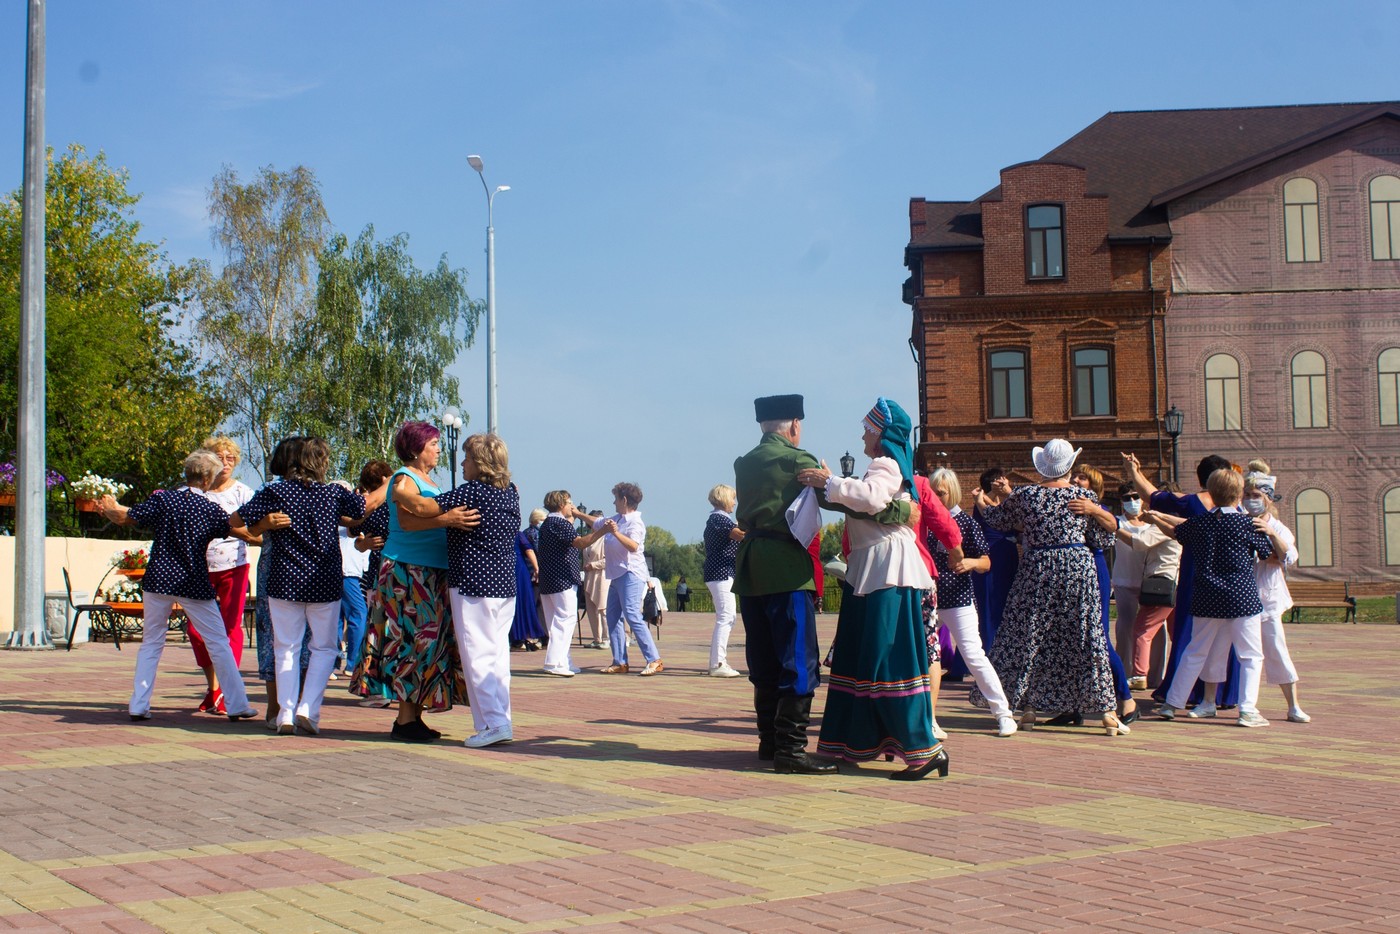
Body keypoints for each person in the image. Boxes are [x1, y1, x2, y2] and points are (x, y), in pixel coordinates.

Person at [797, 398, 946, 779]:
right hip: (872, 567)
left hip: (887, 570)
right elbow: (866, 504)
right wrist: (832, 484)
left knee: (886, 660)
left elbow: (872, 498)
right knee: (860, 659)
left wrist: (829, 482)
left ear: (880, 434)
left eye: (867, 428)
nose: (863, 434)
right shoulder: (882, 467)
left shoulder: (886, 464)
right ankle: (849, 746)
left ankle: (923, 750)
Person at [970, 439, 1127, 736]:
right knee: (1086, 635)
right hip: (1077, 567)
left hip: (1038, 566)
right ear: (1069, 466)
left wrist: (980, 501)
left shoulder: (1027, 495)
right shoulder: (1084, 495)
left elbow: (997, 519)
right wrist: (1092, 512)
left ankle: (1028, 708)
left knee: (1030, 635)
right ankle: (1107, 712)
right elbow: (1103, 539)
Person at [98, 450, 260, 723]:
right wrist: (264, 535)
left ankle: (138, 705)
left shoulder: (163, 499)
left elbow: (128, 516)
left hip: (158, 579)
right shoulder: (209, 508)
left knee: (151, 643)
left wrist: (111, 504)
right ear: (208, 478)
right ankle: (237, 704)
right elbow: (237, 531)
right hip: (193, 581)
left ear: (187, 473)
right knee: (218, 642)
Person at [231, 437, 364, 735]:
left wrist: (262, 523)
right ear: (321, 464)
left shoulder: (276, 492)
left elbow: (236, 519)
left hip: (284, 579)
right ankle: (309, 709)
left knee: (285, 647)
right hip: (324, 580)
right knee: (325, 647)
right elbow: (359, 511)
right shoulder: (332, 493)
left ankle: (285, 714)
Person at [733, 395, 836, 775]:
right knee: (798, 656)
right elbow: (833, 499)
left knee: (762, 656)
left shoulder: (744, 463)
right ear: (794, 424)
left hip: (751, 566)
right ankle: (791, 751)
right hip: (787, 568)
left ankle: (769, 741)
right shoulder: (799, 459)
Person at [358, 421, 473, 742]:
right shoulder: (404, 477)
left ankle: (412, 717)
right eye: (433, 443)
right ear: (415, 448)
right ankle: (405, 720)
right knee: (413, 641)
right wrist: (448, 519)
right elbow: (407, 521)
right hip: (408, 572)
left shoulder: (427, 480)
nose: (438, 449)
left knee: (427, 644)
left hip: (430, 570)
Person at [409, 433, 522, 748]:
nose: (463, 463)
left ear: (481, 463)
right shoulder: (510, 493)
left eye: (468, 458)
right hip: (503, 585)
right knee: (497, 657)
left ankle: (495, 723)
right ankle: (497, 720)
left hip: (473, 583)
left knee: (477, 655)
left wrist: (398, 490)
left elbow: (425, 507)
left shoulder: (471, 492)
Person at [1151, 469, 1273, 728]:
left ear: (1211, 493)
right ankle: (1248, 709)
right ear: (1239, 494)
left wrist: (1157, 519)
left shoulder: (1200, 522)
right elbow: (1265, 552)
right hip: (1241, 597)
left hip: (1206, 595)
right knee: (1250, 655)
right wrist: (1268, 531)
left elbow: (1177, 533)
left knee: (1196, 651)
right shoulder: (1247, 524)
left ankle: (1172, 703)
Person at [1123, 451, 1236, 708]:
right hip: (1231, 580)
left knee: (1189, 635)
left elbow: (1152, 497)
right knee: (1229, 639)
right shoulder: (1237, 509)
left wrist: (1133, 471)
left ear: (1202, 478)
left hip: (1197, 576)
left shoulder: (1194, 502)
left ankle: (1181, 694)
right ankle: (1225, 694)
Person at [1199, 469, 1310, 723]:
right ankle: (1208, 701)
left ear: (1268, 498)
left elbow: (1286, 557)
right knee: (1219, 648)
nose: (1251, 499)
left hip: (1267, 600)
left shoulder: (1279, 528)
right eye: (1247, 494)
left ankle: (1293, 706)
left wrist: (1270, 534)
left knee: (1275, 650)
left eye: (1256, 495)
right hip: (1234, 599)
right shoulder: (1234, 521)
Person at [926, 467, 1017, 738]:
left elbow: (987, 562)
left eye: (941, 493)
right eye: (932, 492)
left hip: (958, 598)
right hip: (928, 598)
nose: (936, 497)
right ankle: (926, 717)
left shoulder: (966, 523)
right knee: (922, 657)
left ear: (952, 492)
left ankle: (1003, 713)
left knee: (973, 654)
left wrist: (971, 562)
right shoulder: (924, 522)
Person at [186, 435, 256, 714]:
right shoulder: (196, 491)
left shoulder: (243, 492)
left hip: (234, 567)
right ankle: (213, 686)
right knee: (196, 631)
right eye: (220, 457)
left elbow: (255, 527)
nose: (226, 463)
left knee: (229, 629)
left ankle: (227, 692)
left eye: (231, 458)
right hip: (198, 568)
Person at [1063, 465, 1137, 724]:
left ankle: (1126, 698)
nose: (1076, 480)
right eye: (1074, 476)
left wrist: (1093, 509)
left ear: (1094, 485)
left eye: (1082, 477)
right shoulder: (1066, 503)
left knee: (1099, 638)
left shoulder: (1098, 508)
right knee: (1068, 639)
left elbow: (1114, 526)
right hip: (1068, 575)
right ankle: (1071, 706)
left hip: (1094, 571)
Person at [594, 483, 664, 676]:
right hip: (616, 575)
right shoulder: (617, 518)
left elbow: (633, 546)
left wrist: (615, 532)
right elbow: (597, 522)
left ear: (624, 500)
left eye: (616, 498)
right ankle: (620, 661)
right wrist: (577, 513)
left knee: (632, 615)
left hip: (631, 573)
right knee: (613, 616)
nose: (613, 502)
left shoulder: (635, 522)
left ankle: (654, 659)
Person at [536, 489, 606, 677]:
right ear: (561, 504)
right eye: (569, 502)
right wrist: (601, 531)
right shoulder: (560, 523)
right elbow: (580, 543)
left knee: (555, 621)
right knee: (565, 620)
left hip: (548, 579)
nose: (572, 506)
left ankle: (564, 660)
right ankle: (553, 662)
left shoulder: (546, 524)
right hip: (563, 579)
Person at [347, 460, 394, 708]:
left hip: (380, 574)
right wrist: (364, 544)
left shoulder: (377, 509)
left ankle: (377, 689)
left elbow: (354, 531)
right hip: (393, 572)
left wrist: (363, 544)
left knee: (377, 631)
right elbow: (357, 537)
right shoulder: (401, 503)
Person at [972, 467, 1019, 653]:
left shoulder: (1008, 502)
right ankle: (990, 652)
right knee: (988, 607)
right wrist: (993, 492)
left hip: (1009, 558)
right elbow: (992, 513)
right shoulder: (981, 501)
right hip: (990, 558)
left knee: (1006, 606)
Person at [702, 483, 745, 678]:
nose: (735, 503)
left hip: (721, 572)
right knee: (726, 616)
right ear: (725, 499)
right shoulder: (720, 519)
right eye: (733, 499)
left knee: (727, 616)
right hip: (721, 572)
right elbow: (741, 536)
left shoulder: (718, 519)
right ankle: (718, 662)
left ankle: (717, 661)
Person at [509, 527, 544, 651]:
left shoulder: (497, 532)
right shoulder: (518, 534)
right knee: (524, 602)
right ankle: (527, 636)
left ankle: (517, 639)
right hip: (519, 569)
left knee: (511, 603)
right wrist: (536, 568)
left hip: (505, 568)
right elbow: (529, 550)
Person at [580, 510, 609, 649]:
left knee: (603, 608)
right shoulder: (589, 538)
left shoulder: (607, 539)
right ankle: (596, 638)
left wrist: (594, 565)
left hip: (602, 576)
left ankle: (607, 638)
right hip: (589, 577)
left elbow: (610, 560)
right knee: (591, 608)